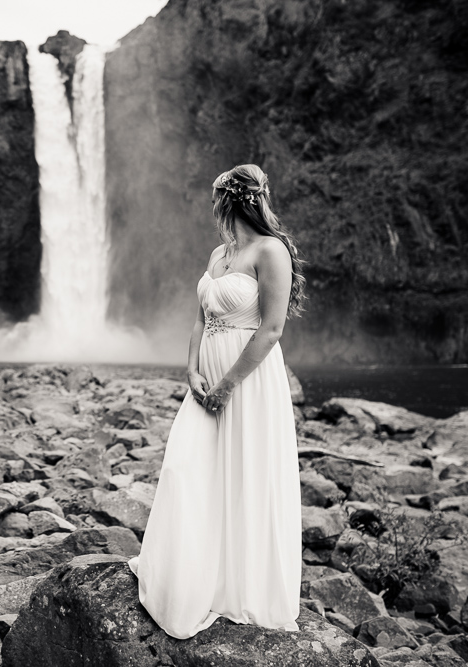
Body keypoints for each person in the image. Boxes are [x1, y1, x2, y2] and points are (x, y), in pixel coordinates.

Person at [127, 163, 307, 639]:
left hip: (248, 380)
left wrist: (228, 384)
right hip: (205, 380)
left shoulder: (272, 252)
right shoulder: (220, 254)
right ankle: (186, 571)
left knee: (244, 473)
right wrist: (191, 368)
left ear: (231, 200)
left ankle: (238, 586)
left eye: (215, 199)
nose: (211, 207)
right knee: (187, 468)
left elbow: (271, 330)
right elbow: (200, 319)